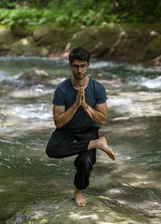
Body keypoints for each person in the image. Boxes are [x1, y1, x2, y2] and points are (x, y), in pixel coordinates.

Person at [46, 47, 115, 207]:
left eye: (83, 66)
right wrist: (75, 105)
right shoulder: (61, 89)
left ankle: (78, 191)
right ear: (70, 65)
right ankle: (97, 143)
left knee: (85, 160)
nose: (80, 70)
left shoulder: (97, 88)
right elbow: (58, 123)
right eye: (76, 66)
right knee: (52, 150)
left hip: (88, 130)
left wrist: (85, 106)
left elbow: (102, 119)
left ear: (88, 65)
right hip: (67, 130)